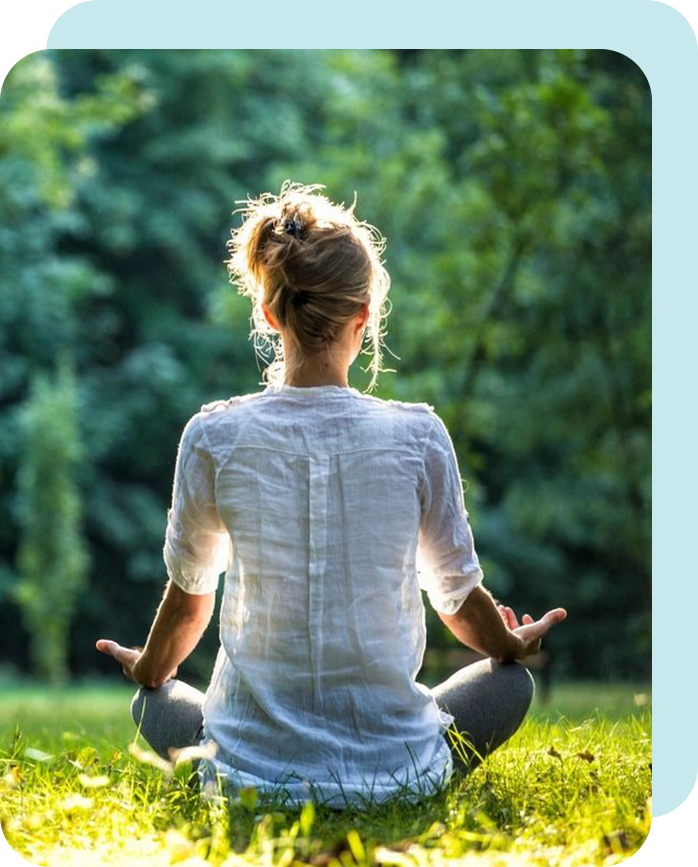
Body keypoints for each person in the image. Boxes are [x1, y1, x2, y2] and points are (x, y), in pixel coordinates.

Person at [96, 180, 567, 809]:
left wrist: (150, 669)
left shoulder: (213, 435)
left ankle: (242, 761)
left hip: (246, 780)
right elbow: (456, 600)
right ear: (363, 315)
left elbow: (188, 605)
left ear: (269, 313)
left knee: (150, 701)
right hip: (397, 772)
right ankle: (398, 778)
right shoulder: (418, 436)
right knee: (510, 687)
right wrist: (511, 645)